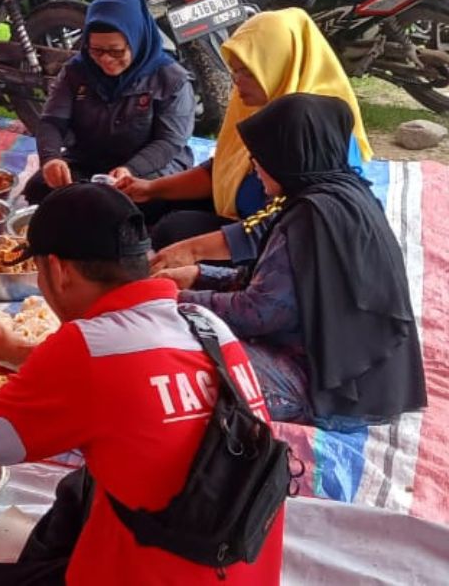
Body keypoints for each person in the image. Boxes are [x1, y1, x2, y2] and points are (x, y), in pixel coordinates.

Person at [0, 184, 284, 584]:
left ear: (58, 270)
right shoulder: (207, 326)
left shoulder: (86, 346)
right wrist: (22, 353)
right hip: (233, 557)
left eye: (40, 273)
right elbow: (121, 385)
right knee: (80, 486)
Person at [158, 94, 426, 429]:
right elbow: (281, 281)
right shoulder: (347, 193)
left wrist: (176, 300)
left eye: (260, 157)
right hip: (365, 383)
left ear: (290, 156)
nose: (255, 166)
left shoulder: (310, 218)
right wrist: (199, 274)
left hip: (329, 392)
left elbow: (259, 312)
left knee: (170, 359)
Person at [116, 8, 372, 250]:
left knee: (175, 230)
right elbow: (225, 168)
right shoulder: (258, 104)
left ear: (280, 65)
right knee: (150, 206)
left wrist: (193, 251)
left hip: (280, 238)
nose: (237, 83)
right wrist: (151, 188)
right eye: (235, 72)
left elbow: (286, 225)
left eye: (248, 73)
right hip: (245, 213)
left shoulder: (311, 130)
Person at [23, 0, 194, 216]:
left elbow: (169, 142)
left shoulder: (170, 79)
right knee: (40, 189)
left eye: (116, 51)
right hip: (91, 161)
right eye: (96, 50)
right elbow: (52, 121)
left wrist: (131, 169)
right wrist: (51, 159)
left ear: (137, 40)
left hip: (150, 168)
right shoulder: (76, 71)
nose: (105, 59)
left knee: (131, 205)